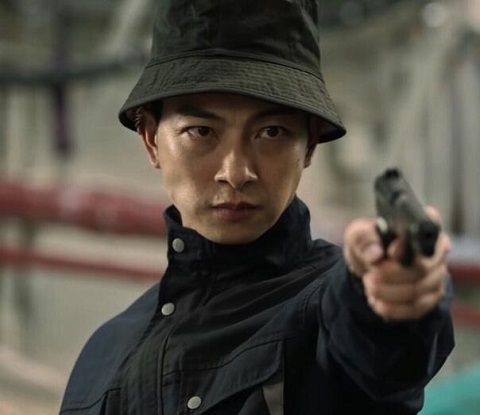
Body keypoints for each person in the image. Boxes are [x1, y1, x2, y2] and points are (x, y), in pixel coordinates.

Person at [59, 0, 454, 414]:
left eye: (271, 132)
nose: (235, 172)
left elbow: (377, 353)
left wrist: (390, 299)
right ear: (151, 140)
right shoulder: (102, 358)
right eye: (201, 131)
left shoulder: (327, 311)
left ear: (309, 144)